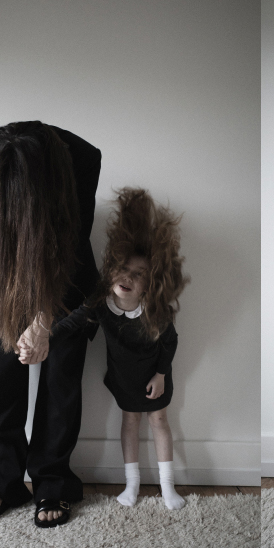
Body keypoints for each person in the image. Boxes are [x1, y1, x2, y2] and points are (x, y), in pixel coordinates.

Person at [0, 121, 100, 527]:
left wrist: (44, 322)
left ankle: (52, 483)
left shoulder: (82, 159)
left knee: (60, 383)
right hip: (4, 272)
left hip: (65, 277)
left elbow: (73, 243)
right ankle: (1, 483)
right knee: (2, 378)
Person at [52, 188, 190, 510]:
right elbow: (74, 321)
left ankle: (167, 487)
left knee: (159, 421)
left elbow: (170, 341)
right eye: (123, 269)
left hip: (154, 378)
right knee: (129, 422)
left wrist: (161, 374)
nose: (128, 277)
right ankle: (132, 484)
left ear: (150, 283)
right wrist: (47, 336)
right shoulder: (101, 303)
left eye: (139, 275)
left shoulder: (155, 311)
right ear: (112, 267)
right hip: (124, 378)